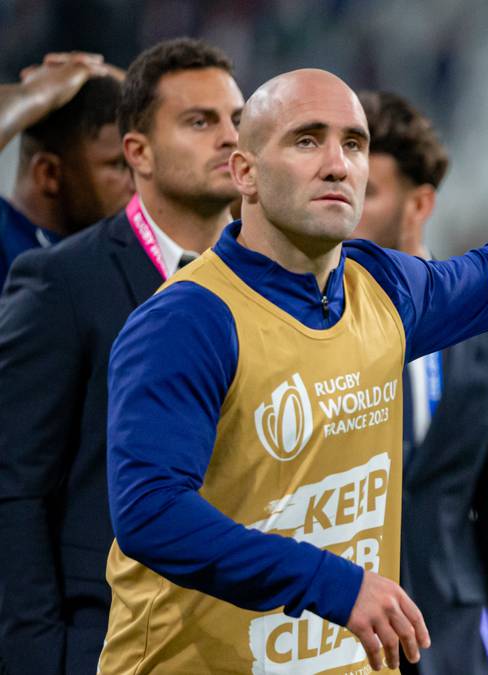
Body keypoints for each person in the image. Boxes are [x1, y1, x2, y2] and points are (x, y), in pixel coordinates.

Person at [99, 67, 488, 674]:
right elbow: (151, 512)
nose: (336, 163)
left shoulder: (380, 289)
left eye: (354, 144)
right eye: (306, 140)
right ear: (244, 171)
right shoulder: (188, 320)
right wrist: (333, 583)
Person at [0, 38, 242, 674]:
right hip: (105, 642)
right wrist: (34, 660)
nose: (229, 139)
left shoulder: (276, 281)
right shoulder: (61, 284)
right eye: (200, 121)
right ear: (137, 152)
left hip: (248, 639)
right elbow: (16, 492)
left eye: (237, 121)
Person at [355, 90, 488, 675]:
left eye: (368, 193)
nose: (340, 204)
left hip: (449, 645)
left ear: (419, 206)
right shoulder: (295, 324)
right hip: (330, 640)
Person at [0, 51, 131, 282]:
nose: (138, 181)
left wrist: (105, 76)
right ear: (48, 173)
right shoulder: (6, 240)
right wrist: (34, 95)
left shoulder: (120, 248)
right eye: (119, 165)